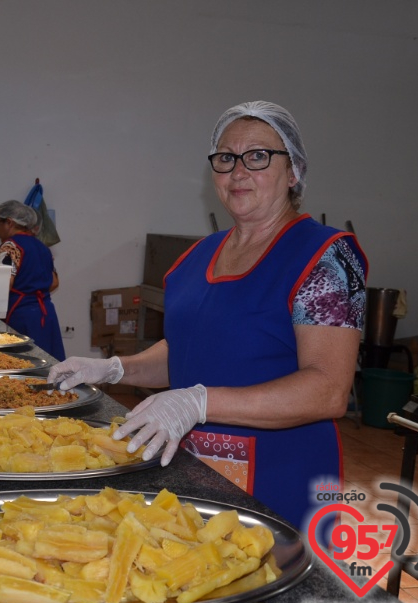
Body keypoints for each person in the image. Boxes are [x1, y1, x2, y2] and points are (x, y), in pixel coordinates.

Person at [47, 101, 367, 534]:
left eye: (258, 156)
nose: (238, 171)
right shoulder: (197, 257)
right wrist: (114, 369)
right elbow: (190, 352)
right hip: (189, 468)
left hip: (276, 478)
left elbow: (328, 390)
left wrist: (198, 401)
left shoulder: (323, 258)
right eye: (225, 158)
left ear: (293, 172)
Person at [0, 200, 65, 360]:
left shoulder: (10, 246)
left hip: (21, 317)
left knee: (25, 366)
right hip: (46, 315)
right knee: (48, 366)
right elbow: (54, 282)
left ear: (9, 222)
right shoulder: (42, 247)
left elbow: (3, 285)